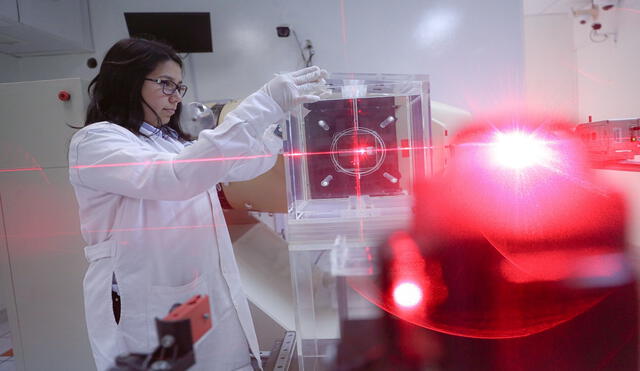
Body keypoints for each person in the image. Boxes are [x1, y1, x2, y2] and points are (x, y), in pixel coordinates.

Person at [68, 38, 327, 371]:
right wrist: (262, 103)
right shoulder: (96, 141)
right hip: (143, 301)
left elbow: (244, 165)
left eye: (179, 87)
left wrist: (278, 123)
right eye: (165, 84)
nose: (176, 97)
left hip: (196, 295)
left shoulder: (169, 142)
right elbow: (176, 178)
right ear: (127, 81)